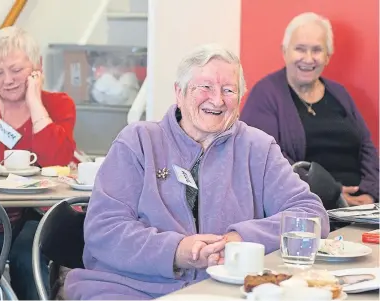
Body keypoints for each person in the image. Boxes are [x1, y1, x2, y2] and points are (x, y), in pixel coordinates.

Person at [64, 44, 329, 300]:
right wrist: (177, 250)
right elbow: (104, 230)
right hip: (132, 288)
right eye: (205, 87)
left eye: (229, 90)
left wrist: (240, 239)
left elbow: (311, 215)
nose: (217, 99)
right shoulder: (139, 141)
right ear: (179, 92)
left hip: (225, 290)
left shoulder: (258, 147)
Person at [0, 26, 77, 299]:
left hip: (33, 214)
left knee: (27, 256)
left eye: (16, 70)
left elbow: (59, 160)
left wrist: (35, 102)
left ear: (37, 67)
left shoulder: (59, 104)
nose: (7, 80)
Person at [240, 12, 379, 209]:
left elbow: (366, 146)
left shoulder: (339, 93)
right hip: (307, 205)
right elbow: (266, 158)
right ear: (284, 51)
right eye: (300, 49)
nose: (308, 58)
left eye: (317, 50)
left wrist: (370, 193)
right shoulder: (265, 94)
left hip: (362, 209)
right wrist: (333, 193)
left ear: (327, 56)